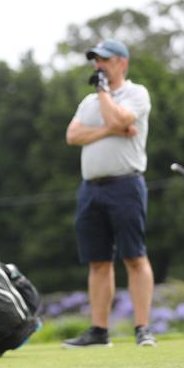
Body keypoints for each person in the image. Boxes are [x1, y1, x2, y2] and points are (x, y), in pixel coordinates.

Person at [64, 39, 156, 348]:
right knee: (98, 261)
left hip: (126, 185)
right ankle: (99, 332)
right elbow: (72, 135)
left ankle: (142, 328)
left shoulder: (136, 93)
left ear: (122, 63)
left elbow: (120, 118)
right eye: (95, 61)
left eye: (104, 60)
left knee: (134, 256)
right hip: (91, 189)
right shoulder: (88, 102)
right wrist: (110, 130)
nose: (97, 66)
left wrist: (106, 99)